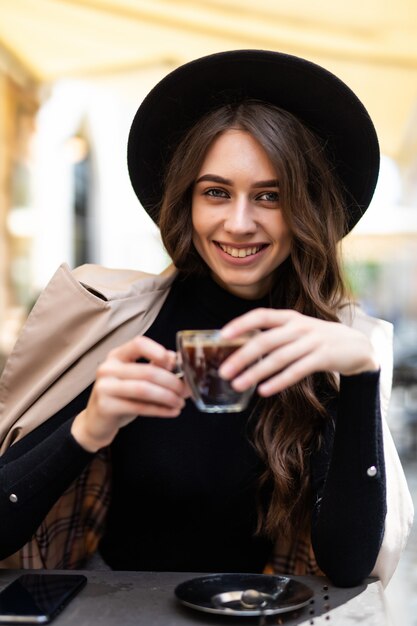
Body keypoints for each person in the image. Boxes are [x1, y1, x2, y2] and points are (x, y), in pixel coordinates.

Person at [0, 50, 413, 588]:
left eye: (271, 196)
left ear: (305, 210)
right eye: (216, 192)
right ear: (186, 203)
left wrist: (360, 374)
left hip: (257, 613)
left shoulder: (327, 346)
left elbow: (349, 564)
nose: (239, 223)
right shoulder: (117, 322)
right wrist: (88, 428)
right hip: (116, 615)